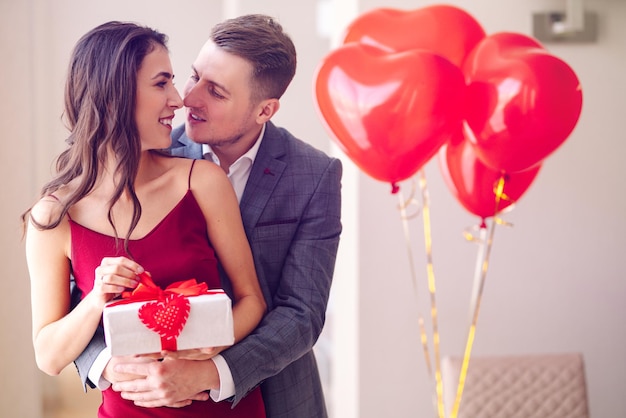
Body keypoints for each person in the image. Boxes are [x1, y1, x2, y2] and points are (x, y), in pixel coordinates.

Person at [75, 14, 343, 418]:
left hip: (277, 398)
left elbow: (302, 313)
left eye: (215, 91)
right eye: (194, 76)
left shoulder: (314, 175)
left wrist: (211, 373)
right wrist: (109, 365)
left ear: (264, 110)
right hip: (151, 400)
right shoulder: (146, 149)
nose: (188, 99)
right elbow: (83, 288)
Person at [22, 21, 267, 417]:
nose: (178, 100)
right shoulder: (53, 216)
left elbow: (251, 301)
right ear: (114, 94)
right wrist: (95, 300)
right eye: (161, 83)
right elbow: (48, 355)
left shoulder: (202, 182)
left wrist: (206, 357)